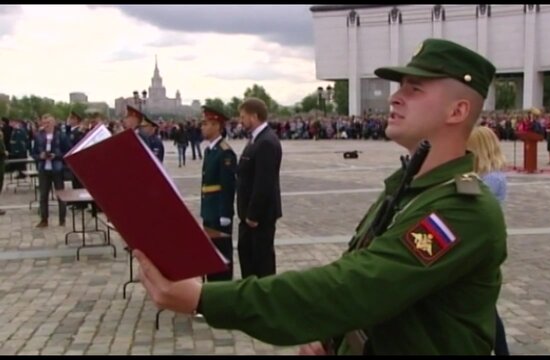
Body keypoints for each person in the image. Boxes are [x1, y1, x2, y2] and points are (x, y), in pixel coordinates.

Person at [134, 38, 507, 355]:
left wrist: (206, 299)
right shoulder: (410, 188)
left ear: (458, 111)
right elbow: (372, 294)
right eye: (400, 87)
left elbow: (353, 287)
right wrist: (332, 339)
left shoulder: (461, 211)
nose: (395, 98)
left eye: (415, 89)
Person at [466, 125, 509, 356]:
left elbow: (467, 200)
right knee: (485, 306)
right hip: (476, 242)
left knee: (486, 306)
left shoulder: (492, 178)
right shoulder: (479, 175)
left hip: (481, 245)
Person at [235, 97, 283, 279]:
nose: (241, 121)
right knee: (249, 262)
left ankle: (264, 303)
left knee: (261, 264)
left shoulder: (266, 142)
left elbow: (264, 182)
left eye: (243, 117)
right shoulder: (256, 140)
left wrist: (253, 215)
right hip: (250, 217)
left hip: (259, 218)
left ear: (254, 116)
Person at [200, 105, 237, 282]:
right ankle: (213, 286)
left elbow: (227, 185)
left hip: (218, 213)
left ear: (216, 125)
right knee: (211, 253)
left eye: (206, 123)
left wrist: (225, 213)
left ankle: (223, 288)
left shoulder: (225, 152)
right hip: (209, 211)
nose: (202, 127)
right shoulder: (210, 150)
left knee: (222, 254)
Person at [32, 114, 70, 228]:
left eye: (48, 122)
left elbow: (67, 152)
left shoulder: (61, 136)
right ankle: (44, 219)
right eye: (44, 123)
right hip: (43, 169)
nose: (46, 125)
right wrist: (40, 156)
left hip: (57, 169)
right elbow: (33, 153)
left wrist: (56, 155)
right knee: (43, 196)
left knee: (60, 195)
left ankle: (62, 219)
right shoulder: (38, 136)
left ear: (53, 123)